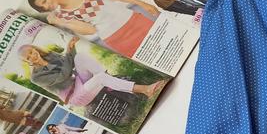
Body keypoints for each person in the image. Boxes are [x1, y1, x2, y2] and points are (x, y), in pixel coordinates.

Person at [17, 37, 166, 107]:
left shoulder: (50, 56)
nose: (32, 56)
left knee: (80, 57)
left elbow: (72, 61)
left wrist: (72, 47)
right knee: (99, 78)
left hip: (80, 82)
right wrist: (68, 51)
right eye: (28, 57)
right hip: (76, 96)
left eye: (31, 51)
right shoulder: (36, 77)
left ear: (35, 49)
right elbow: (64, 75)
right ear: (26, 61)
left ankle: (112, 82)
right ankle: (145, 89)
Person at [27, 0, 160, 58]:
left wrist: (142, 3)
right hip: (116, 38)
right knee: (149, 57)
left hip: (133, 20)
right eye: (42, 7)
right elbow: (90, 30)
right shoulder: (63, 16)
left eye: (44, 1)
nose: (46, 7)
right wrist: (59, 22)